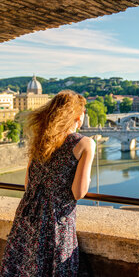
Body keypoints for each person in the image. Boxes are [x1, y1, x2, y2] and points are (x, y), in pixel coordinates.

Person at [0, 90, 96, 276]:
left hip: (26, 216)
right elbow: (78, 192)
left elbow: (29, 184)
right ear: (78, 115)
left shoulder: (41, 140)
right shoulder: (84, 143)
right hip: (56, 220)